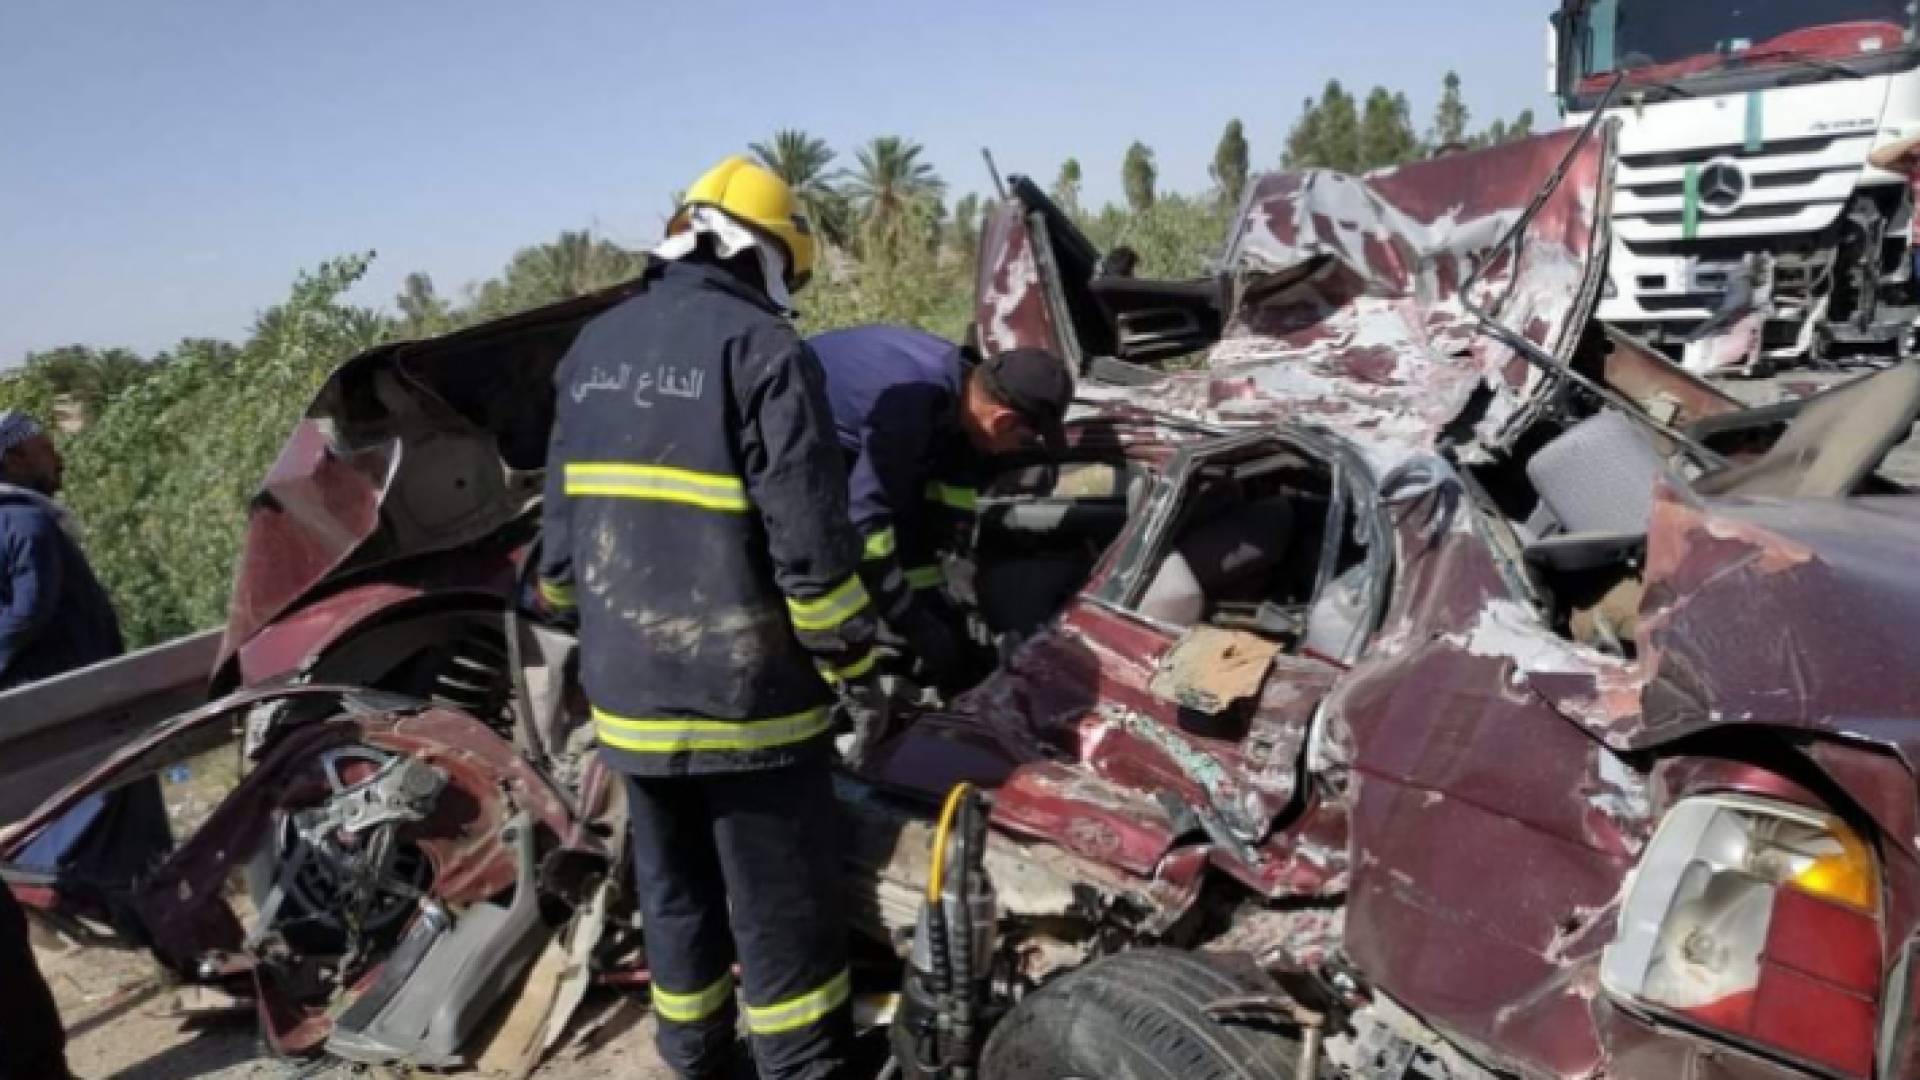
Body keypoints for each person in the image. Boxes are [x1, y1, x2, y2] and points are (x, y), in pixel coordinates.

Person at [536, 158, 874, 1080]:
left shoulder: (592, 350)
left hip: (631, 701)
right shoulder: (763, 351)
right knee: (779, 912)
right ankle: (801, 1068)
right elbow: (808, 546)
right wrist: (853, 654)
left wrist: (582, 624)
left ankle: (693, 1060)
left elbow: (557, 553)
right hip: (749, 705)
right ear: (768, 255)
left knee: (675, 896)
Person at [805, 327, 1072, 691]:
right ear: (1002, 420)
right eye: (1022, 441)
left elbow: (925, 519)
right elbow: (866, 528)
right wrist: (908, 617)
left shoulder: (962, 395)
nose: (1014, 452)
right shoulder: (911, 411)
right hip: (775, 431)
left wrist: (947, 605)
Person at [0, 409, 124, 1080]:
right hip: (74, 710)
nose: (56, 458)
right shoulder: (24, 520)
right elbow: (27, 609)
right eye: (42, 448)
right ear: (13, 459)